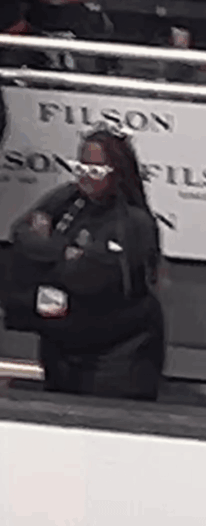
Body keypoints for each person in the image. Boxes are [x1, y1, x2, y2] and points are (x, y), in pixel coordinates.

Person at [4, 129, 164, 401]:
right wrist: (65, 251)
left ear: (118, 172)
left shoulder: (134, 223)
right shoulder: (67, 199)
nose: (85, 177)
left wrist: (51, 254)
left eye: (96, 171)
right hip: (62, 352)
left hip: (117, 362)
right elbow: (21, 236)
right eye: (81, 167)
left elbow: (91, 278)